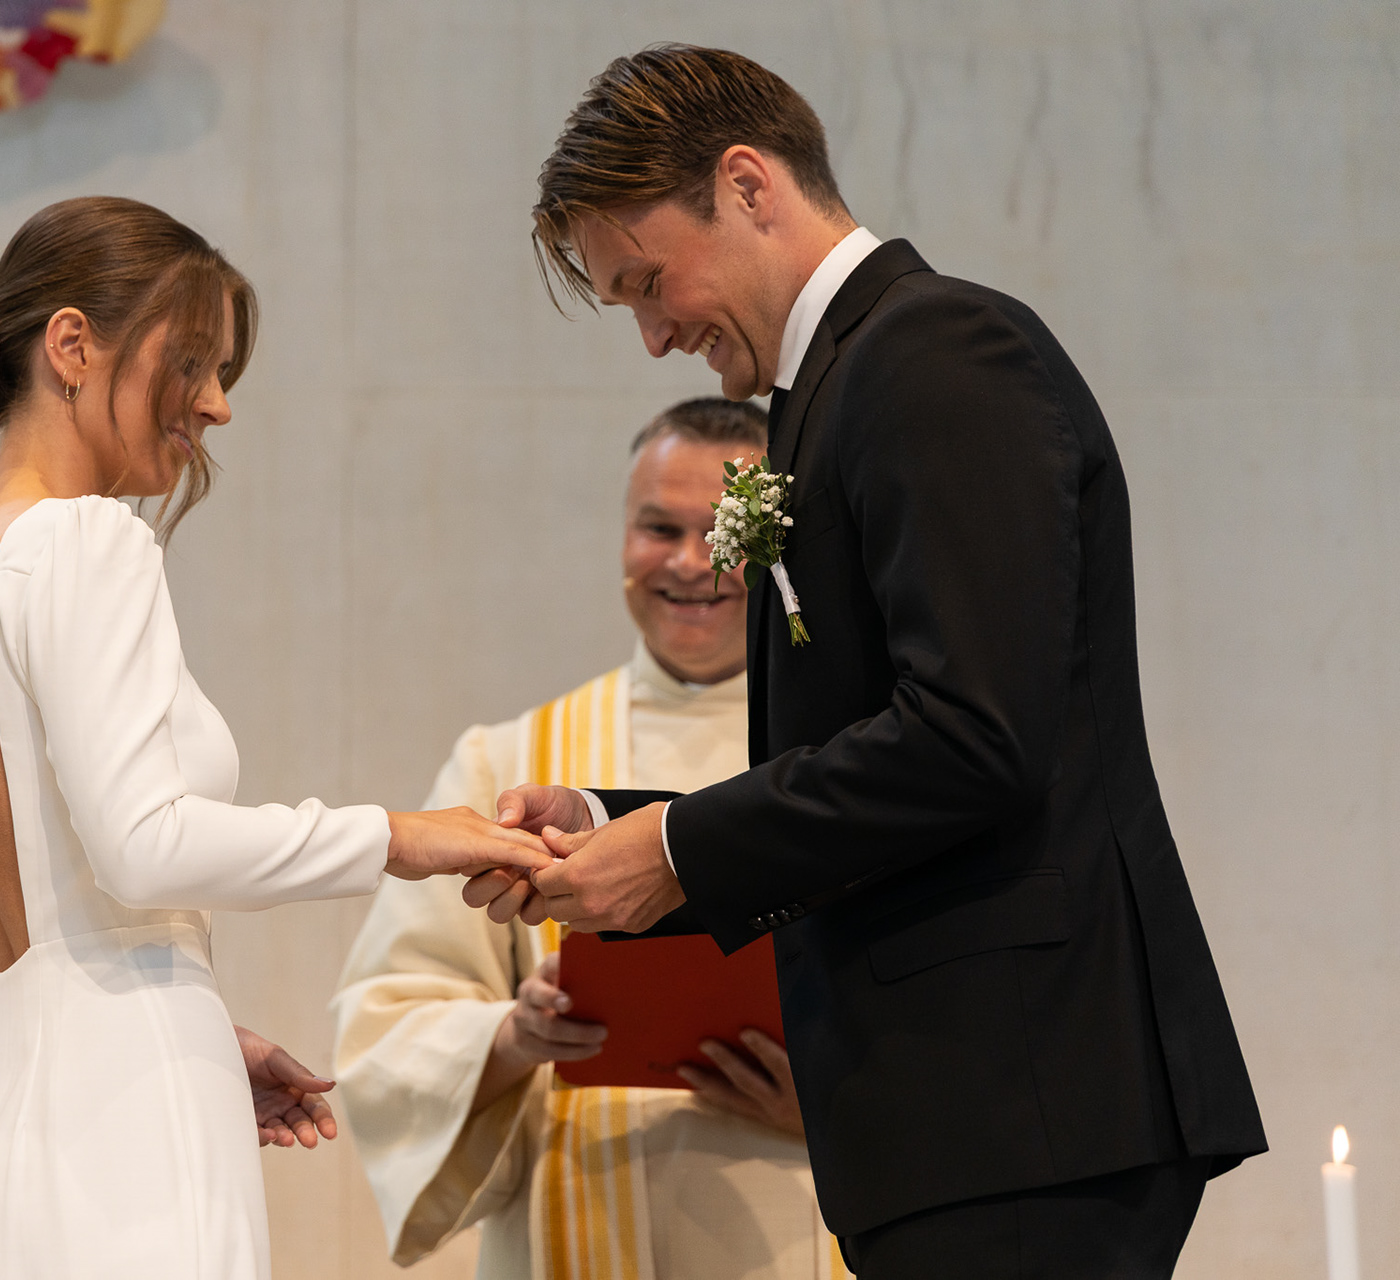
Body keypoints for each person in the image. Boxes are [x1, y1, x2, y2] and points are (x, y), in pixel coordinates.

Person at [473, 45, 1267, 1279]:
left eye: (648, 282)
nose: (653, 335)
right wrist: (617, 823)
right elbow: (858, 743)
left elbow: (975, 733)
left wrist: (678, 850)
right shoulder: (838, 387)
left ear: (747, 184)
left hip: (1020, 1096)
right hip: (966, 1113)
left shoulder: (937, 350)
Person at [0, 196, 552, 1280]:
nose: (219, 404)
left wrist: (193, 1034)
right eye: (189, 361)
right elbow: (143, 846)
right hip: (121, 1130)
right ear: (71, 346)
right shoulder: (84, 539)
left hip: (4, 1100)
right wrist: (399, 835)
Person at [334, 398, 851, 1280]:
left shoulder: (856, 763)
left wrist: (840, 1112)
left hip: (808, 1215)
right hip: (580, 1210)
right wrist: (513, 1036)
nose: (690, 563)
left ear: (778, 547)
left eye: (721, 533)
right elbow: (386, 1022)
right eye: (659, 528)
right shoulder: (514, 763)